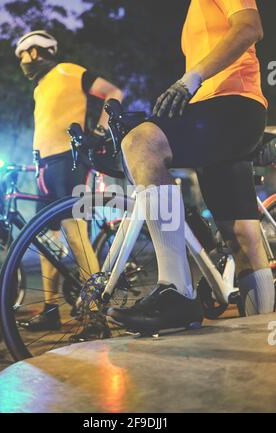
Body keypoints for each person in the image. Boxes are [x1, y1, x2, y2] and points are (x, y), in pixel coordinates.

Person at [107, 0, 275, 333]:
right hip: (223, 111)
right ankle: (261, 337)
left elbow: (250, 27)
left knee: (142, 143)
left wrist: (190, 79)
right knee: (241, 237)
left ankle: (176, 292)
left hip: (232, 106)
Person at [15, 30, 124, 331]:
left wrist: (100, 132)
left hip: (70, 161)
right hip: (45, 167)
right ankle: (50, 309)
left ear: (40, 51)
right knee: (48, 239)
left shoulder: (68, 70)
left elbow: (114, 92)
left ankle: (96, 312)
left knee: (74, 234)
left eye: (25, 54)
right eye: (21, 56)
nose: (24, 61)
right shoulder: (38, 88)